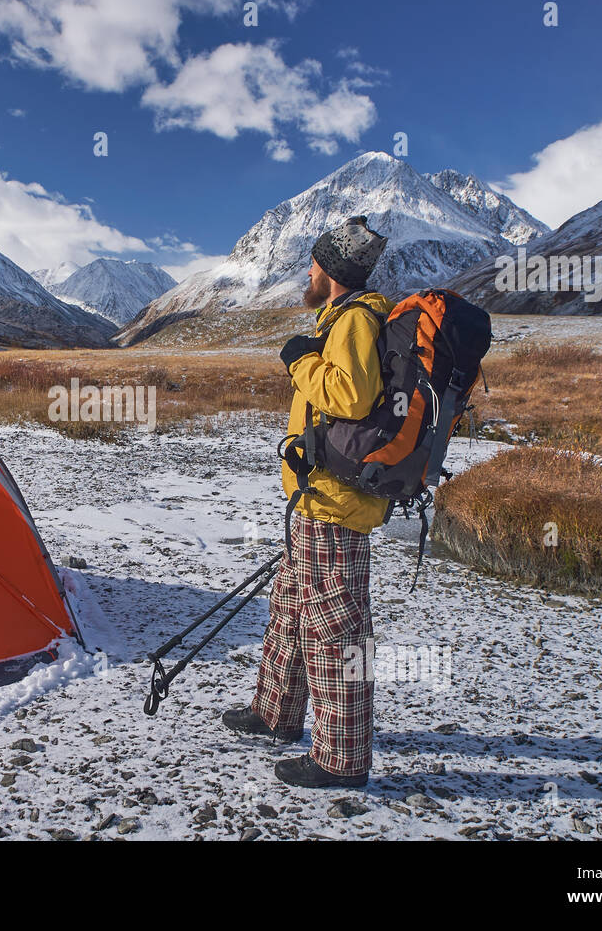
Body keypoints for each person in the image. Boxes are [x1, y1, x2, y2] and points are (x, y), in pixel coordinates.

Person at [222, 215, 392, 789]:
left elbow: (350, 393)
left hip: (338, 502)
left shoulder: (355, 321)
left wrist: (299, 359)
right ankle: (276, 714)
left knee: (338, 626)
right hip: (316, 495)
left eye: (315, 266)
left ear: (332, 273)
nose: (309, 273)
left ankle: (342, 759)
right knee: (294, 605)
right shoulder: (341, 318)